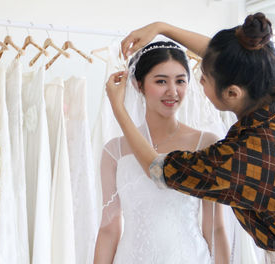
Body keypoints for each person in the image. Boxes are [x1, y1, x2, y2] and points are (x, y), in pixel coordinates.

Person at [106, 13, 275, 263]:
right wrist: (163, 28)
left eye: (204, 78)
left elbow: (156, 169)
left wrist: (119, 110)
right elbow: (237, 60)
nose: (197, 82)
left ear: (232, 92)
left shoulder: (240, 158)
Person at [93, 41, 230, 264]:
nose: (172, 91)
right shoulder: (114, 151)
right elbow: (109, 228)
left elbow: (215, 227)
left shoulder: (206, 144)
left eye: (180, 81)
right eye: (161, 81)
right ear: (139, 85)